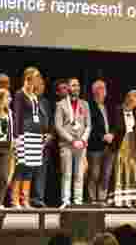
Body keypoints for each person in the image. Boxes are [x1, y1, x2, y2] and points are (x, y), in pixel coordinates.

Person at [10, 67, 44, 208]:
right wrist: (16, 136)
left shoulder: (34, 96)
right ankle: (15, 200)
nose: (37, 81)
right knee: (21, 167)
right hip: (24, 134)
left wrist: (41, 134)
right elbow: (17, 116)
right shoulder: (19, 94)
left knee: (30, 168)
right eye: (35, 78)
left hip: (35, 136)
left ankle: (25, 200)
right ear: (28, 79)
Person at [56, 77, 91, 207]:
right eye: (73, 85)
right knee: (67, 173)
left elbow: (88, 126)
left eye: (78, 85)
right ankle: (65, 201)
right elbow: (58, 126)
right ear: (68, 88)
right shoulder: (60, 105)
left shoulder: (85, 104)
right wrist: (72, 140)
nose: (76, 88)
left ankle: (78, 201)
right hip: (67, 144)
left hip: (81, 144)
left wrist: (82, 140)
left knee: (79, 174)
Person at [108, 89, 136, 206]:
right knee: (119, 169)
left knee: (131, 170)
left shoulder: (134, 113)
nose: (133, 103)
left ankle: (130, 200)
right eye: (131, 100)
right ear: (127, 98)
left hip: (131, 143)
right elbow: (114, 126)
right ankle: (118, 200)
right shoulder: (117, 110)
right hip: (120, 143)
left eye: (135, 102)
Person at [87, 79, 115, 205]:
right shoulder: (89, 106)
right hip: (95, 146)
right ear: (94, 91)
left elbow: (115, 123)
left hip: (110, 146)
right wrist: (102, 136)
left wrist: (112, 135)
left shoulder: (109, 106)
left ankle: (102, 199)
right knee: (94, 173)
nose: (102, 91)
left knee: (106, 174)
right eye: (99, 88)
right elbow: (88, 126)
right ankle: (93, 199)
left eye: (103, 88)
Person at [30, 76, 56, 207]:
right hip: (30, 140)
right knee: (28, 171)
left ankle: (38, 198)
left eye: (43, 84)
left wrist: (50, 134)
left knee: (41, 171)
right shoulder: (27, 100)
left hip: (45, 142)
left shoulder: (45, 102)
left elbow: (51, 121)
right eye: (39, 84)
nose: (42, 87)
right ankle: (25, 199)